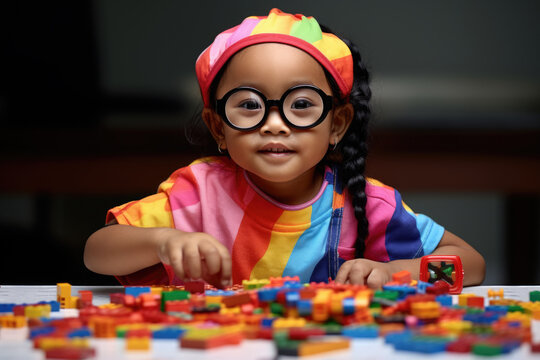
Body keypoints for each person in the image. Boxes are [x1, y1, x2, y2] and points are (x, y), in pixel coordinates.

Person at [84, 8, 485, 289]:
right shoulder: (197, 194)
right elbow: (97, 253)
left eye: (302, 105)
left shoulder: (367, 203)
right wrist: (163, 241)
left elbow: (471, 266)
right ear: (218, 127)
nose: (275, 123)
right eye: (249, 106)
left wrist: (398, 272)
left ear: (337, 125)